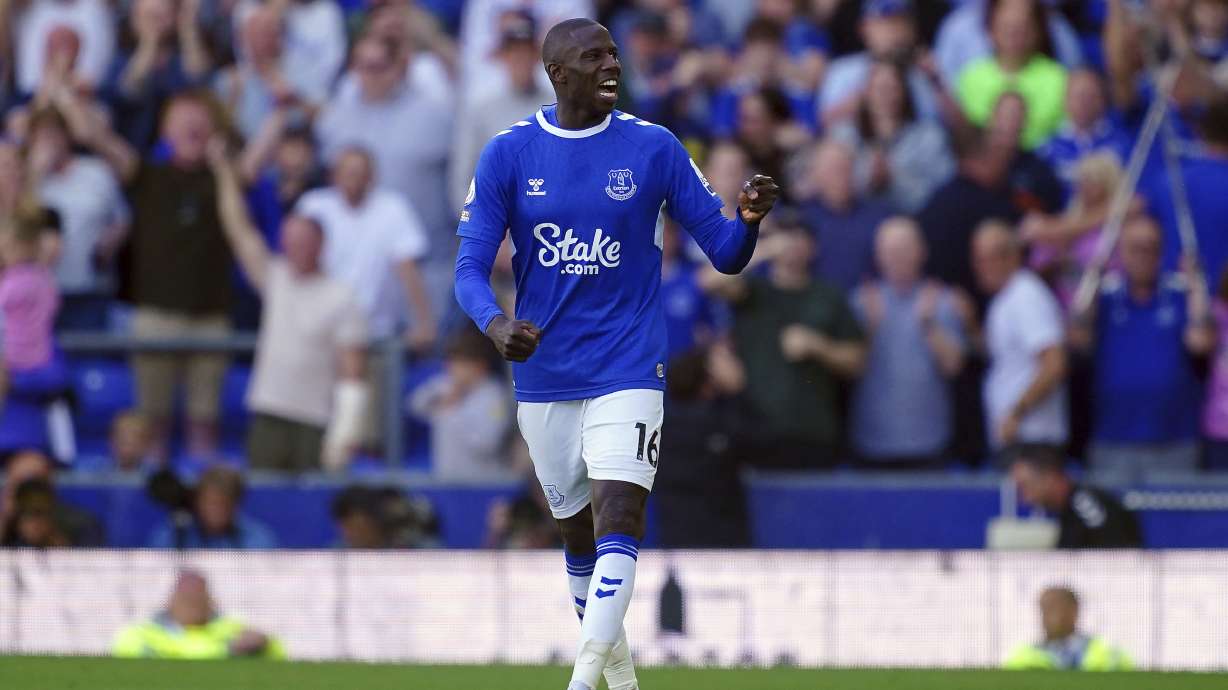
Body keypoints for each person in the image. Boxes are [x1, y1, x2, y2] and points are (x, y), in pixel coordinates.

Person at [452, 18, 779, 690]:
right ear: (557, 72)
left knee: (620, 516)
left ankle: (578, 685)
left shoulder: (654, 147)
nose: (612, 66)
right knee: (575, 539)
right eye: (593, 56)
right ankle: (623, 685)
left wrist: (747, 221)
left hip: (629, 365)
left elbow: (724, 253)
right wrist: (494, 325)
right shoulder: (508, 155)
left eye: (614, 53)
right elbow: (468, 268)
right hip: (543, 373)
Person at [74, 89, 233, 459]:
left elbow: (255, 166)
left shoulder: (224, 178)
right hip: (155, 315)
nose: (192, 126)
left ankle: (202, 501)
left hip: (211, 317)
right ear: (166, 130)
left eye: (200, 119)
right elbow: (97, 138)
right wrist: (70, 96)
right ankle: (155, 503)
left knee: (204, 424)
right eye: (183, 119)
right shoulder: (145, 174)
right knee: (152, 423)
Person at [210, 138, 369, 474]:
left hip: (315, 419)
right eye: (289, 242)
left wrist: (345, 430)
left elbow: (352, 369)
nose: (294, 249)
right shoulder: (275, 278)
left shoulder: (342, 296)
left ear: (320, 245)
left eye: (302, 243)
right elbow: (237, 228)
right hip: (268, 411)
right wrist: (224, 174)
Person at [701, 222, 866, 470]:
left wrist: (818, 346)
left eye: (800, 239)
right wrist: (765, 249)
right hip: (756, 429)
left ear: (813, 248)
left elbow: (857, 361)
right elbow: (708, 281)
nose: (792, 246)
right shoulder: (753, 290)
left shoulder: (828, 295)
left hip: (814, 432)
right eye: (786, 238)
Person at [1069, 215, 1214, 480]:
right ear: (1120, 252)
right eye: (1135, 248)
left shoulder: (1180, 296)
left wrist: (1197, 287)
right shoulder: (1106, 299)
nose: (1143, 256)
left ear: (1161, 252)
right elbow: (1077, 339)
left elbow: (1202, 342)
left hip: (1173, 441)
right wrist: (1091, 278)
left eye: (1151, 248)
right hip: (1113, 440)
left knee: (1173, 520)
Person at [850, 218, 966, 468]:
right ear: (877, 255)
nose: (897, 258)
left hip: (929, 442)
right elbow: (851, 369)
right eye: (890, 251)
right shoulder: (861, 302)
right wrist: (870, 329)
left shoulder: (942, 300)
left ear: (922, 252)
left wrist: (929, 324)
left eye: (904, 249)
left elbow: (954, 367)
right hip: (872, 442)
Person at [294, 146, 435, 349]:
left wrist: (423, 322)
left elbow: (408, 267)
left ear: (372, 177)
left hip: (375, 332)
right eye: (348, 172)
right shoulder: (313, 205)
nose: (354, 178)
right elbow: (296, 259)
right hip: (319, 330)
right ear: (334, 175)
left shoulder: (393, 207)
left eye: (360, 173)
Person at [24, 105, 128, 330]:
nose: (48, 143)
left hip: (89, 287)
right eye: (40, 137)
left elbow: (122, 217)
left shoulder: (96, 172)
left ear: (67, 136)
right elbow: (17, 220)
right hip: (41, 289)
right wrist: (34, 176)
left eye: (53, 134)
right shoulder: (26, 179)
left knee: (91, 358)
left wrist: (110, 242)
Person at [973, 219, 1068, 452]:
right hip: (1017, 438)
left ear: (1012, 256)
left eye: (987, 259)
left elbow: (1054, 364)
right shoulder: (1004, 298)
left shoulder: (1027, 296)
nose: (979, 267)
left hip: (1033, 441)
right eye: (977, 259)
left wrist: (1017, 411)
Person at [450, 10, 555, 211]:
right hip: (497, 227)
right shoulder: (481, 109)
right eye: (514, 52)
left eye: (527, 52)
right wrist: (487, 229)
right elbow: (461, 182)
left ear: (537, 56)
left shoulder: (558, 104)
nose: (521, 59)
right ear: (502, 56)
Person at [654, 344, 751, 547]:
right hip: (724, 556)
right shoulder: (720, 425)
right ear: (709, 386)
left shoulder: (658, 430)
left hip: (675, 553)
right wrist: (739, 391)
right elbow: (761, 440)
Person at [831, 58, 955, 213]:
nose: (885, 96)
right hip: (855, 225)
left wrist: (893, 180)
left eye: (892, 88)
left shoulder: (930, 138)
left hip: (917, 223)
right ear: (865, 93)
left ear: (904, 92)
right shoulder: (844, 137)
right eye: (879, 88)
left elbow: (944, 196)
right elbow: (832, 192)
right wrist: (867, 181)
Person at [0, 209, 72, 460]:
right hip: (36, 360)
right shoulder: (45, 278)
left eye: (5, 245)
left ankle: (63, 455)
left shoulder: (12, 282)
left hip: (20, 363)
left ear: (23, 246)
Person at [956, 0, 1069, 150]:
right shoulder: (970, 78)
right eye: (1007, 27)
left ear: (1038, 30)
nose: (1015, 34)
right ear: (990, 29)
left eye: (1023, 27)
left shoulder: (1060, 79)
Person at [100, 0, 211, 152]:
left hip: (180, 153)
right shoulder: (121, 59)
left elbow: (200, 81)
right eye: (149, 16)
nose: (155, 22)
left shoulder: (180, 58)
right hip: (136, 152)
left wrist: (187, 27)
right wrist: (149, 43)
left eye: (162, 15)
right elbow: (129, 91)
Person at [408, 327, 512, 481]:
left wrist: (453, 410)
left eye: (460, 363)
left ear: (479, 366)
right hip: (445, 476)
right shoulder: (446, 385)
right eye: (451, 362)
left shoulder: (494, 396)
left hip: (482, 480)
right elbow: (415, 405)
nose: (452, 369)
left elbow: (487, 443)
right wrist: (445, 400)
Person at [113, 570, 286, 659]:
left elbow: (278, 655)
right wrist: (227, 652)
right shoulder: (140, 635)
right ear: (171, 600)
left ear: (210, 601)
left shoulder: (233, 630)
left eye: (198, 597)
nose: (192, 604)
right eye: (186, 598)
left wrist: (266, 643)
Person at [818, 0, 941, 124]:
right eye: (884, 24)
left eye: (901, 23)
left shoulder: (926, 71)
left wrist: (936, 80)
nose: (894, 32)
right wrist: (874, 91)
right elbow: (824, 124)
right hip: (857, 142)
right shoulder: (843, 70)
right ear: (864, 29)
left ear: (912, 29)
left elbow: (953, 130)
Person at [797, 138, 895, 293]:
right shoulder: (800, 218)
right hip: (817, 306)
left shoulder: (880, 214)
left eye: (846, 168)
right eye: (833, 170)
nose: (841, 175)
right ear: (815, 175)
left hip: (871, 304)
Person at [1008, 444, 1143, 549]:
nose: (1023, 498)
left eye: (1025, 486)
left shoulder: (1088, 507)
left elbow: (1116, 557)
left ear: (1050, 478)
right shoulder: (1067, 511)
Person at [1036, 68, 1130, 199]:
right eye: (1078, 96)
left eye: (1091, 96)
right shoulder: (1046, 149)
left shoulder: (1123, 142)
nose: (1084, 103)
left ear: (1103, 100)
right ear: (1065, 100)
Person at [147, 466, 278, 549]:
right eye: (209, 503)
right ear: (198, 501)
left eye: (222, 504)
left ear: (235, 504)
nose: (215, 510)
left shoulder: (257, 539)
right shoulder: (175, 535)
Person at [1005, 586, 1134, 670]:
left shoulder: (1107, 653)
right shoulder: (1022, 658)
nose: (1047, 615)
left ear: (1074, 610)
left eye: (1054, 608)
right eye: (1044, 608)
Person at [0, 449, 103, 546]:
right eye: (22, 484)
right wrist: (5, 518)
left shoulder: (81, 523)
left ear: (50, 484)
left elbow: (86, 561)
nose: (30, 493)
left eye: (36, 484)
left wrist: (48, 534)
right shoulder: (8, 523)